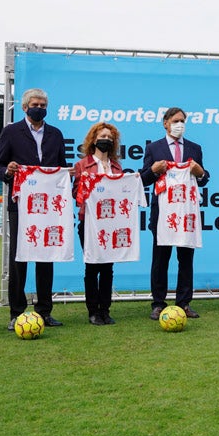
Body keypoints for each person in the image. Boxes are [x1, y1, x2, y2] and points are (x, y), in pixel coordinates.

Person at [0, 88, 68, 330]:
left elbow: (62, 168)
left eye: (43, 105)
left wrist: (68, 176)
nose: (40, 108)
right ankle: (17, 312)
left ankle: (44, 311)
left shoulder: (55, 134)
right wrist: (8, 172)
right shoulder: (11, 132)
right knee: (19, 258)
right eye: (35, 104)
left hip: (49, 207)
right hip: (21, 205)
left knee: (46, 258)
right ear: (25, 107)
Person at [141, 107, 209, 320]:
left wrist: (201, 173)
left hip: (186, 213)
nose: (180, 124)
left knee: (186, 259)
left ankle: (184, 303)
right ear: (165, 123)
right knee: (160, 260)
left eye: (183, 121)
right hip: (163, 213)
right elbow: (143, 179)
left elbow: (204, 178)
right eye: (176, 120)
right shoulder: (154, 148)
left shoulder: (194, 148)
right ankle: (158, 303)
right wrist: (154, 170)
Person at [72, 122, 125, 325]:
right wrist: (86, 183)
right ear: (94, 139)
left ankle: (105, 309)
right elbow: (76, 194)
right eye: (103, 136)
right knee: (92, 267)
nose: (107, 140)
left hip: (111, 223)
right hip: (89, 223)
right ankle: (93, 311)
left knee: (108, 268)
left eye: (110, 138)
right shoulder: (82, 165)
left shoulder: (116, 166)